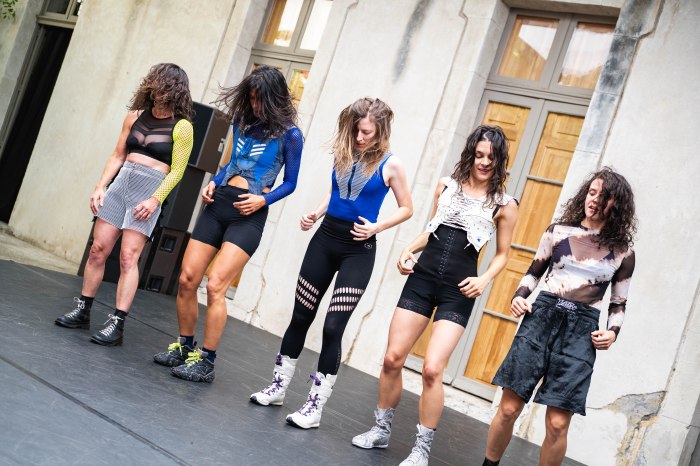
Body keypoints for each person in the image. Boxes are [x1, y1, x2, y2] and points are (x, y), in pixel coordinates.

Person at [351, 125, 518, 465]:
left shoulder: (504, 204)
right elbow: (431, 230)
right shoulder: (446, 186)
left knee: (431, 369)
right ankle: (380, 430)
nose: (484, 162)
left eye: (491, 157)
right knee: (392, 358)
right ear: (470, 154)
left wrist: (484, 279)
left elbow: (503, 254)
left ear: (500, 160)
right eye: (479, 155)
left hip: (459, 289)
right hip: (423, 279)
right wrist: (407, 250)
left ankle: (421, 450)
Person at [249, 97, 413, 429]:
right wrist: (315, 212)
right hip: (324, 240)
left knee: (333, 328)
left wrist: (377, 227)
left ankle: (315, 407)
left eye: (367, 132)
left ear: (381, 131)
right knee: (300, 316)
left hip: (358, 250)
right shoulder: (344, 152)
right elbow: (335, 191)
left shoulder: (392, 164)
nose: (360, 138)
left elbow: (407, 208)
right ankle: (278, 387)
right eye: (356, 131)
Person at [152, 65, 303, 383]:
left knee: (216, 284)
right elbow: (231, 163)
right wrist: (213, 181)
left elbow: (291, 183)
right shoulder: (242, 120)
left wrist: (264, 200)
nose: (255, 105)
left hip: (248, 215)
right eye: (252, 98)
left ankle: (206, 361)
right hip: (218, 205)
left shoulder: (290, 135)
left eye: (260, 99)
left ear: (274, 98)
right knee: (187, 279)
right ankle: (185, 347)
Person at [481, 167, 637, 466]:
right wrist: (518, 297)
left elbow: (619, 302)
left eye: (603, 196)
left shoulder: (622, 252)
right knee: (509, 408)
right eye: (591, 192)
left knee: (556, 424)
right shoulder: (558, 231)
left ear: (616, 203)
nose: (594, 200)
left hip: (581, 331)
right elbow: (533, 273)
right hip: (542, 317)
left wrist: (612, 332)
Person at [55, 63, 194, 346]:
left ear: (174, 90)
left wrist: (155, 200)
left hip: (149, 190)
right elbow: (118, 154)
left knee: (128, 258)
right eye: (153, 84)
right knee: (98, 250)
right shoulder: (134, 116)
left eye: (162, 86)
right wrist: (100, 186)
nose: (156, 91)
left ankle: (117, 324)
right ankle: (83, 310)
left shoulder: (183, 127)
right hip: (121, 185)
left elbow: (177, 171)